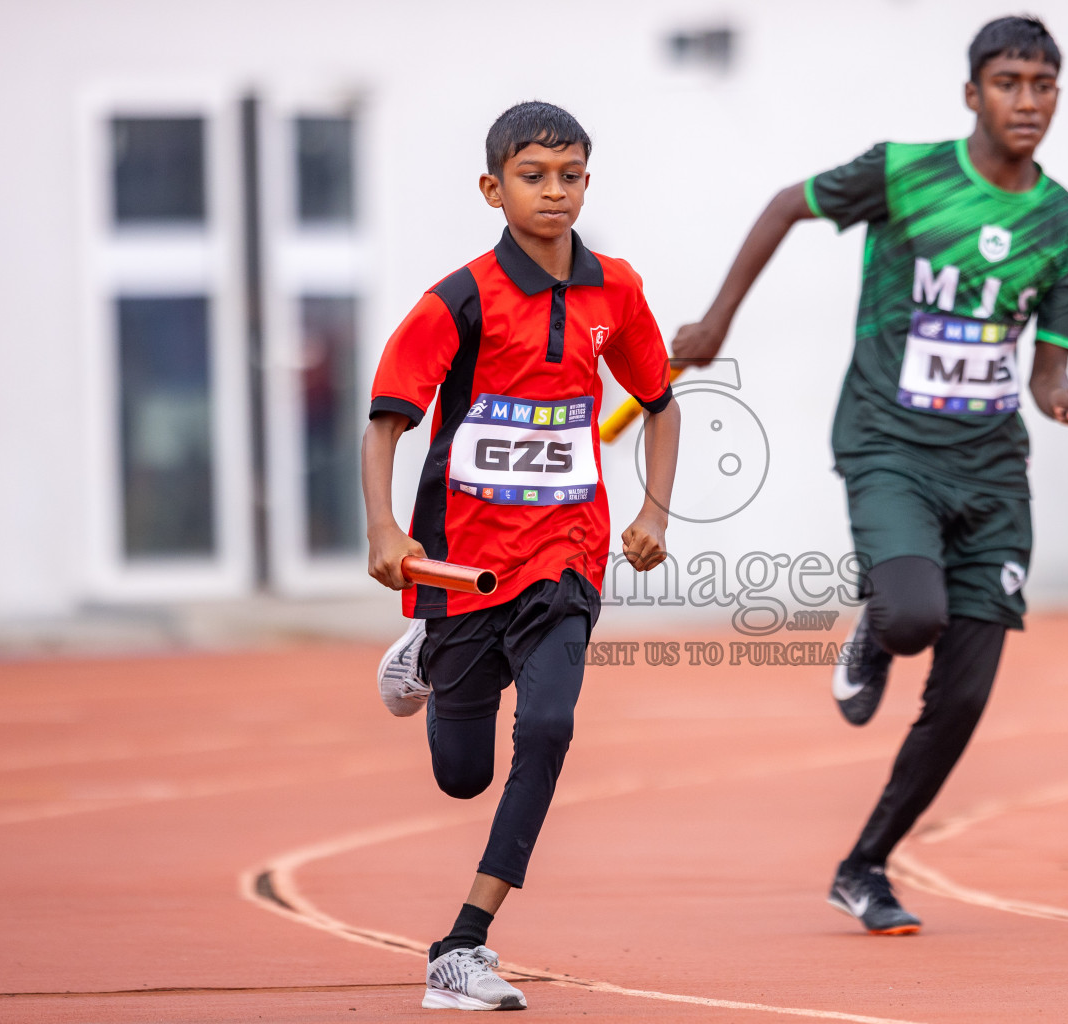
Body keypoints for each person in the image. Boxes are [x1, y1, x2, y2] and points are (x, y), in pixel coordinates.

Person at [672, 15, 1068, 935]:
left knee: (968, 694)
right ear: (972, 93)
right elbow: (788, 203)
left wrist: (1066, 400)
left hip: (993, 473)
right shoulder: (905, 172)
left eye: (1042, 85)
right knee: (912, 615)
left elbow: (1045, 372)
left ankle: (865, 865)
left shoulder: (1067, 229)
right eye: (1008, 82)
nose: (1027, 101)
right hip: (889, 444)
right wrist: (715, 325)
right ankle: (873, 627)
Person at [362, 101, 680, 1010]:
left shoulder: (614, 291)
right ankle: (429, 653)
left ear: (588, 181)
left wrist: (655, 508)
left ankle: (463, 945)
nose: (554, 192)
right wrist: (386, 530)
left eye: (570, 176)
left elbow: (660, 402)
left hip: (569, 558)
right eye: (534, 176)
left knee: (548, 728)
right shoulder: (457, 300)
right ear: (492, 188)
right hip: (465, 567)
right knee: (463, 778)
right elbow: (388, 419)